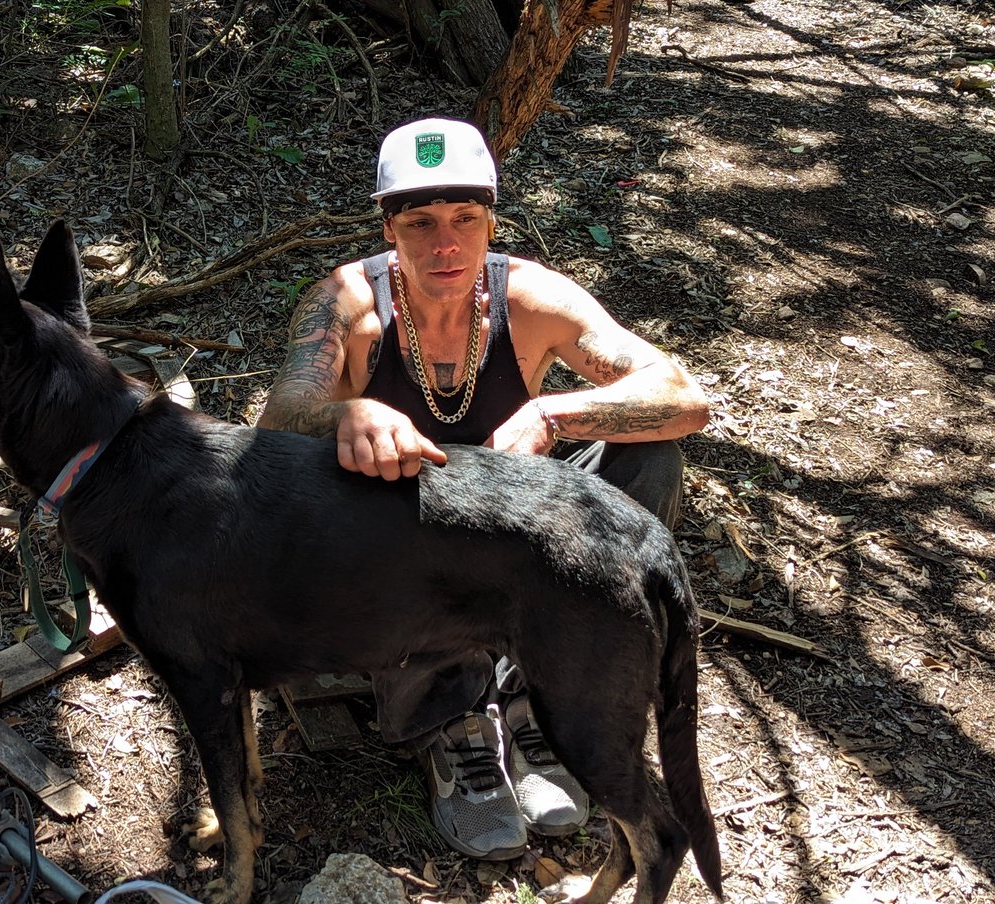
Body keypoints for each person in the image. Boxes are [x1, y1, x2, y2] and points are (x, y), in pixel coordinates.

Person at [258, 117, 709, 861]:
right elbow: (279, 419)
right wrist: (350, 411)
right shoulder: (349, 299)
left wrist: (551, 411)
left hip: (518, 532)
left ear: (491, 219)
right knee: (377, 513)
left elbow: (683, 395)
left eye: (466, 219)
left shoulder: (527, 296)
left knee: (650, 455)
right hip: (400, 534)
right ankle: (453, 726)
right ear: (388, 225)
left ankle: (542, 697)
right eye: (421, 222)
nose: (446, 245)